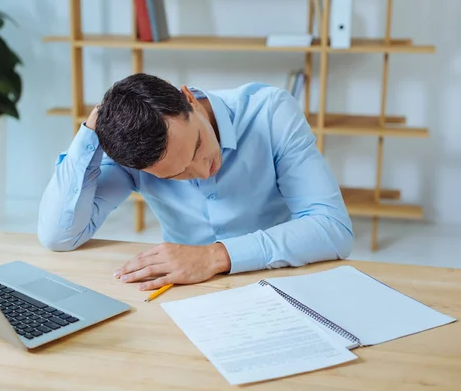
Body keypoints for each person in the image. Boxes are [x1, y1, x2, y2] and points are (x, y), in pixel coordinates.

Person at [37, 73, 354, 291]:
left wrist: (216, 256)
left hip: (279, 277)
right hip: (185, 292)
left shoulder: (269, 112)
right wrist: (90, 133)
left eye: (198, 146)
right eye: (178, 175)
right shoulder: (132, 153)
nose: (203, 171)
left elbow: (333, 228)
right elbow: (58, 235)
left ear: (187, 98)